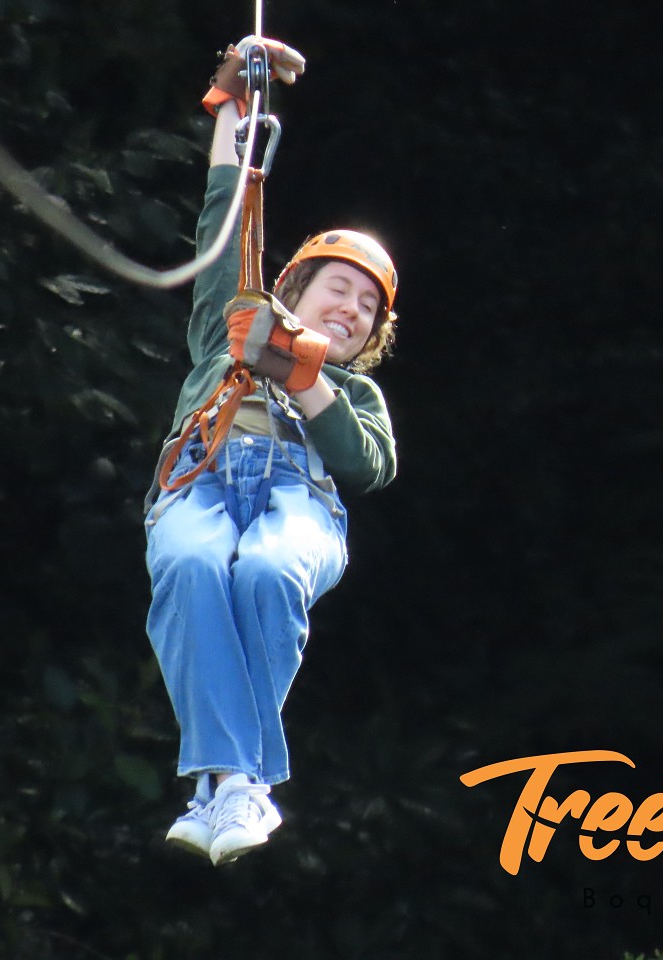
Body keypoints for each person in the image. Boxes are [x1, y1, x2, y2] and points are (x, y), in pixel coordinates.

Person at [144, 36, 400, 867]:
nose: (351, 309)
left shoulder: (354, 393)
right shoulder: (233, 325)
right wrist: (231, 106)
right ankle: (232, 782)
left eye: (367, 308)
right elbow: (226, 213)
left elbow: (365, 466)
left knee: (266, 571)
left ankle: (225, 784)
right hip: (201, 480)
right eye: (339, 288)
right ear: (293, 287)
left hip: (298, 499)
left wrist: (304, 375)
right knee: (191, 563)